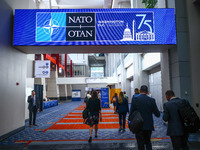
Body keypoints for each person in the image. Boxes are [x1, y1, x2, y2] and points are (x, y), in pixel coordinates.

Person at [129, 85, 160, 150]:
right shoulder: (152, 100)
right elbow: (157, 114)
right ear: (147, 92)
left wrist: (130, 124)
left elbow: (131, 114)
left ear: (140, 91)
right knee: (148, 142)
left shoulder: (135, 100)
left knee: (140, 144)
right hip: (149, 125)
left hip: (138, 125)